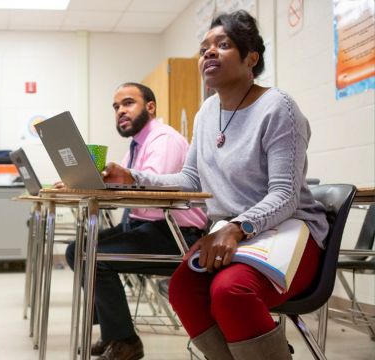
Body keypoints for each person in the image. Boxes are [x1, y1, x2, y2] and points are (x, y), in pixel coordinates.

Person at [102, 11, 328, 360]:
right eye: (204, 47)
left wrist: (237, 228)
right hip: (234, 235)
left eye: (222, 45)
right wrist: (133, 177)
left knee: (230, 291)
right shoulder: (207, 112)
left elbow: (284, 194)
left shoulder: (277, 108)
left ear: (251, 57)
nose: (208, 53)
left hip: (290, 234)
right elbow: (190, 179)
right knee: (182, 289)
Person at [64, 82, 208, 360]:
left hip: (177, 234)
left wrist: (105, 184)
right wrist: (79, 182)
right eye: (116, 107)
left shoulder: (162, 139)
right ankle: (112, 331)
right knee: (76, 249)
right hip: (147, 227)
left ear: (150, 107)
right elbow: (120, 180)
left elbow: (148, 191)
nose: (120, 111)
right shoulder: (137, 145)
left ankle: (126, 341)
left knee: (94, 256)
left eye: (128, 103)